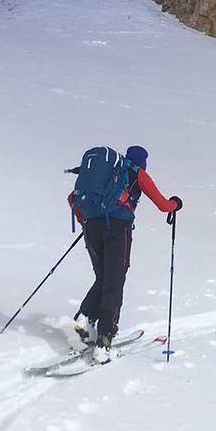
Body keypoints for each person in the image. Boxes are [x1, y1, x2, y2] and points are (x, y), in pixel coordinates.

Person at [69, 145, 182, 364]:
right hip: (117, 228)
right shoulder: (137, 173)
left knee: (103, 277)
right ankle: (104, 343)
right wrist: (176, 204)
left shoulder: (108, 174)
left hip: (91, 227)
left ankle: (85, 316)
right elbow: (163, 205)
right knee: (114, 281)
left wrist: (89, 218)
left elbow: (72, 199)